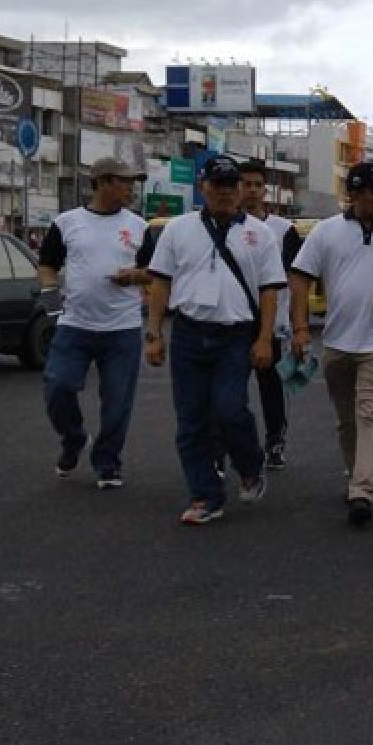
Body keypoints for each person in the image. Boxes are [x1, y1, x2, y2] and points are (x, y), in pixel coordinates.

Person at [145, 155, 286, 525]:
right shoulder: (177, 230)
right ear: (202, 187)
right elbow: (160, 282)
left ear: (240, 189)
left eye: (231, 185)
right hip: (189, 332)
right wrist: (154, 333)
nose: (225, 192)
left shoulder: (261, 234)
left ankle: (251, 464)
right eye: (217, 185)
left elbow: (270, 290)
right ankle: (205, 495)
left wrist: (265, 340)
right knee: (190, 421)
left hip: (236, 335)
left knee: (229, 409)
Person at [289, 163, 373, 525]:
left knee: (370, 413)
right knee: (346, 419)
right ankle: (356, 477)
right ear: (356, 194)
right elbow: (300, 278)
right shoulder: (326, 233)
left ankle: (362, 491)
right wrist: (301, 328)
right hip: (337, 341)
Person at [39, 157, 151, 489]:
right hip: (74, 326)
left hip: (123, 329)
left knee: (117, 403)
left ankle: (107, 463)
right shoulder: (67, 223)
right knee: (57, 387)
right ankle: (74, 438)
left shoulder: (139, 226)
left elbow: (155, 272)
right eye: (124, 181)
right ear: (102, 182)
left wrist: (134, 276)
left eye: (133, 182)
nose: (131, 188)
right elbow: (47, 266)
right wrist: (52, 307)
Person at [238, 159, 303, 469]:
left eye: (256, 185)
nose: (251, 190)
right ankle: (229, 445)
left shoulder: (283, 230)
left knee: (272, 387)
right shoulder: (223, 226)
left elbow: (294, 281)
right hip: (233, 321)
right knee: (229, 391)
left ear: (266, 190)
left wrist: (294, 325)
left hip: (271, 324)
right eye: (245, 184)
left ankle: (275, 440)